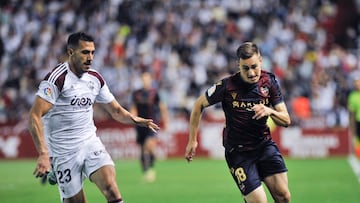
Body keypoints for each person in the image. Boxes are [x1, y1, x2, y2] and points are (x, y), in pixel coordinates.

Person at [28, 32, 160, 203]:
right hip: (63, 152)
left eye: (92, 52)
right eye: (85, 52)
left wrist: (136, 119)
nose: (90, 57)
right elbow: (34, 116)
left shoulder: (95, 78)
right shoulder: (57, 79)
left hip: (89, 143)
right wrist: (44, 154)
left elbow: (116, 111)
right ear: (71, 53)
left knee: (111, 187)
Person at [185, 42, 291, 203]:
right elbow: (198, 104)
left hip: (264, 146)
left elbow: (286, 120)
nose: (251, 72)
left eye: (254, 66)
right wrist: (192, 140)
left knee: (283, 196)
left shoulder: (269, 82)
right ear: (238, 65)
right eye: (245, 68)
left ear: (261, 61)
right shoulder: (227, 86)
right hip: (238, 153)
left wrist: (270, 111)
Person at [130, 71, 168, 182]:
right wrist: (133, 119)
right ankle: (145, 171)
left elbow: (162, 107)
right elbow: (133, 108)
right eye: (143, 79)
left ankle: (151, 168)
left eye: (147, 79)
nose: (145, 81)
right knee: (142, 149)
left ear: (150, 80)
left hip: (152, 123)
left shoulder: (155, 93)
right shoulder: (136, 93)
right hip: (140, 124)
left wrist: (166, 120)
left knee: (149, 146)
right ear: (141, 80)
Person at [348, 72, 360, 157]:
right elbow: (352, 113)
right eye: (356, 82)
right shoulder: (353, 96)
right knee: (357, 141)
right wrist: (351, 126)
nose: (357, 84)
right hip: (358, 121)